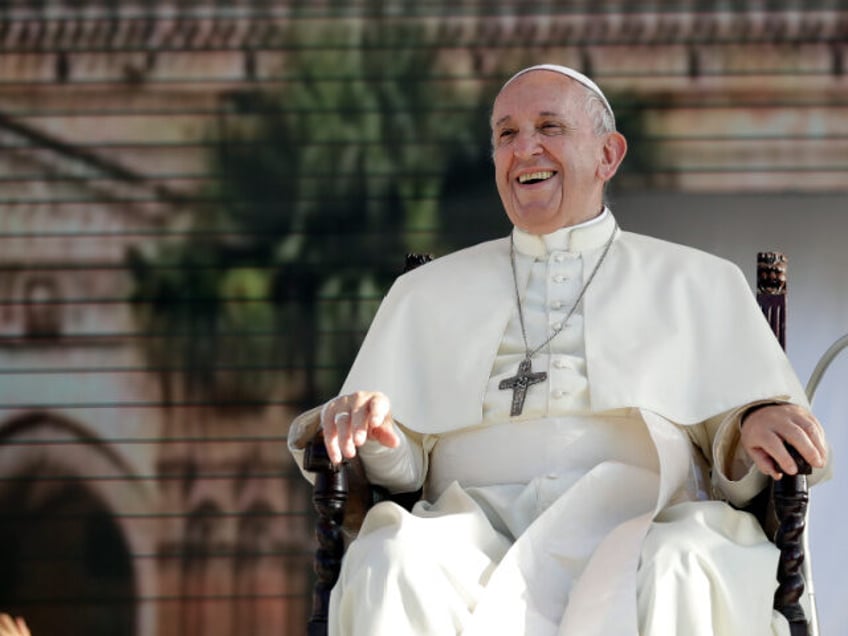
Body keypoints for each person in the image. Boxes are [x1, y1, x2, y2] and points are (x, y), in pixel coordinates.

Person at [287, 64, 830, 635]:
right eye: (506, 135)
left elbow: (737, 462)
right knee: (391, 560)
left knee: (687, 565)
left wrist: (754, 423)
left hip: (644, 519)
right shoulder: (425, 293)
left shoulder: (699, 281)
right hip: (469, 528)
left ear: (608, 155)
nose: (525, 149)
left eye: (549, 127)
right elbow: (401, 469)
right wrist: (377, 436)